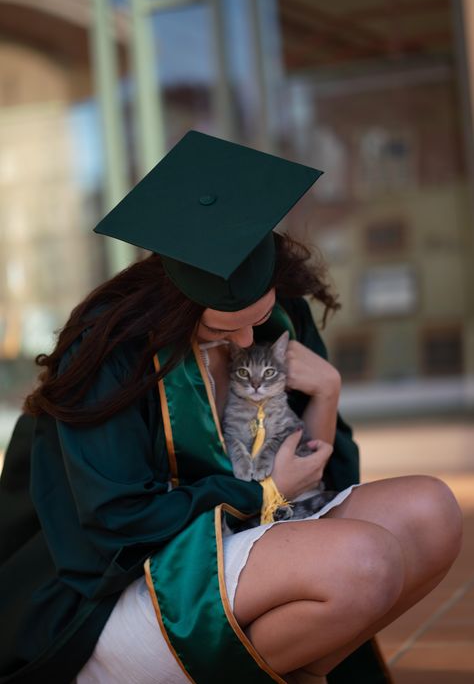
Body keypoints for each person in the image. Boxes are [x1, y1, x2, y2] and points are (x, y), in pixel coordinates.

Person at [0, 132, 462, 684]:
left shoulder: (277, 314)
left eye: (256, 319)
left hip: (245, 546)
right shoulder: (111, 353)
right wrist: (262, 493)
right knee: (364, 560)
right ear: (177, 304)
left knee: (432, 512)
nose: (246, 341)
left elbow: (328, 484)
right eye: (223, 327)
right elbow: (115, 524)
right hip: (121, 587)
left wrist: (327, 391)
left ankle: (295, 670)